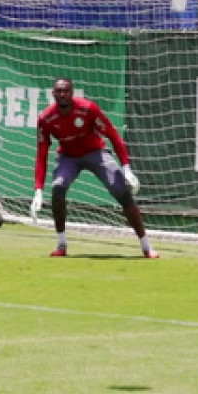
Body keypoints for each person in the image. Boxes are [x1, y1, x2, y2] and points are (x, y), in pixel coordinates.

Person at [30, 77, 158, 259]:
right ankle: (61, 244)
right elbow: (41, 154)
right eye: (58, 91)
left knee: (120, 190)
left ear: (72, 93)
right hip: (68, 157)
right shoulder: (45, 118)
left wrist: (126, 168)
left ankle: (146, 246)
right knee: (57, 188)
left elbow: (113, 135)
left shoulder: (87, 108)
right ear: (53, 94)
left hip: (96, 153)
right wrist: (38, 190)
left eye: (66, 91)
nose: (62, 94)